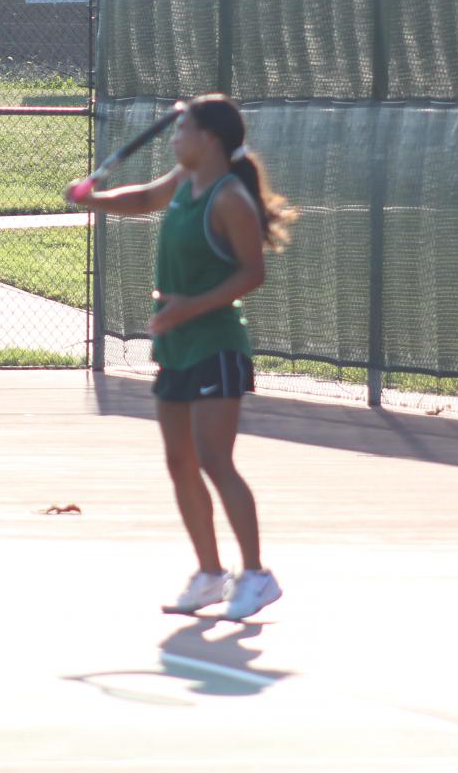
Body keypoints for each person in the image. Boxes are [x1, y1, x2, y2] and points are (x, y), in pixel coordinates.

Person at [68, 93, 294, 620]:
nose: (175, 138)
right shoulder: (185, 181)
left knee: (215, 459)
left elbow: (251, 274)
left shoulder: (229, 198)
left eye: (182, 130)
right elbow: (145, 198)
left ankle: (257, 575)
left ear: (209, 139)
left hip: (216, 345)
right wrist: (94, 200)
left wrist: (191, 306)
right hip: (177, 345)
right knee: (180, 462)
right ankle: (211, 573)